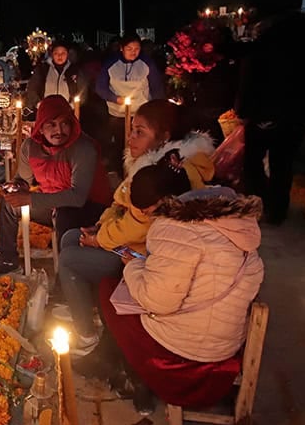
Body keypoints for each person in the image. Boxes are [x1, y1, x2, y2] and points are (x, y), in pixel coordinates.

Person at [99, 163, 264, 413]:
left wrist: (132, 266)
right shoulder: (240, 227)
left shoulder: (175, 228)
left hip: (182, 354)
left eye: (148, 211)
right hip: (224, 348)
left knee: (108, 291)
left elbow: (157, 301)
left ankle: (135, 378)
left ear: (164, 202)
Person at [56, 99, 215, 355]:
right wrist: (100, 226)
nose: (131, 138)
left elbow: (139, 225)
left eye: (140, 132)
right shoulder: (149, 163)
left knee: (69, 259)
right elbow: (120, 204)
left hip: (142, 257)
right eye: (132, 130)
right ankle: (84, 306)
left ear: (164, 136)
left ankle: (86, 334)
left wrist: (100, 238)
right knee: (70, 237)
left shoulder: (167, 175)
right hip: (129, 241)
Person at [0, 95, 111, 275]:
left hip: (89, 209)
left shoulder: (83, 149)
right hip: (53, 204)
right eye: (51, 124)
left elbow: (77, 197)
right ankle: (7, 259)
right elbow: (23, 180)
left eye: (64, 123)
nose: (59, 130)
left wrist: (31, 198)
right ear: (41, 128)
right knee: (10, 204)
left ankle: (66, 276)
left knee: (64, 213)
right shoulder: (30, 147)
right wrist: (16, 187)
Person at [236, 10, 305, 225]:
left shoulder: (266, 46)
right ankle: (277, 211)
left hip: (265, 113)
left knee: (253, 162)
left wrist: (244, 111)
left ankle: (258, 204)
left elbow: (250, 78)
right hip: (297, 118)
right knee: (282, 165)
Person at [96, 32, 166, 176]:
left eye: (137, 49)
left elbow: (156, 87)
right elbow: (100, 87)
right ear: (121, 48)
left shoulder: (147, 63)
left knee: (141, 145)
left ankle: (139, 173)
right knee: (120, 145)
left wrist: (156, 109)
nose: (133, 52)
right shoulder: (111, 64)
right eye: (129, 49)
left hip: (141, 114)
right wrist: (115, 98)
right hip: (117, 114)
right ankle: (121, 173)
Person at [25, 40, 85, 112]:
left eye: (63, 53)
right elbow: (32, 88)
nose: (60, 56)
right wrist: (39, 104)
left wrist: (71, 106)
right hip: (45, 110)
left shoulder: (74, 70)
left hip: (67, 111)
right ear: (52, 54)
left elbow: (82, 92)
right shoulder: (43, 69)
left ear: (67, 54)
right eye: (56, 53)